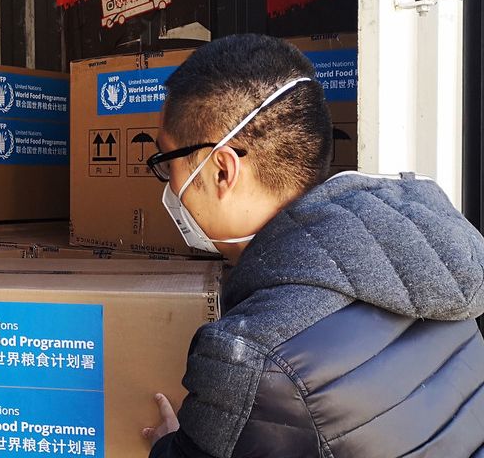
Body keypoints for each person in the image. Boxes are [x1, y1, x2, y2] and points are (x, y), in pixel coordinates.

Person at [141, 34, 484, 457]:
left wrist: (171, 447)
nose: (169, 185)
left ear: (222, 172)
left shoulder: (251, 357)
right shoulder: (425, 262)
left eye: (166, 162)